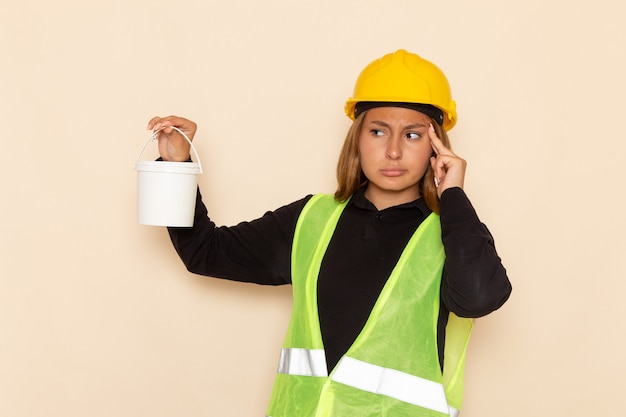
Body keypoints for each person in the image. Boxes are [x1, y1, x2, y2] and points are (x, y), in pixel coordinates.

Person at [146, 49, 511, 417]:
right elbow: (205, 253)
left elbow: (480, 298)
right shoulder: (312, 219)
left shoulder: (453, 233)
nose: (394, 151)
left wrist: (453, 196)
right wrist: (177, 168)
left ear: (438, 147)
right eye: (378, 131)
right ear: (358, 137)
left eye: (413, 135)